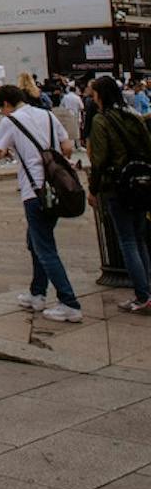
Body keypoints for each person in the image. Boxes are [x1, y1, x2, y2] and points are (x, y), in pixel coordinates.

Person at [0, 83, 82, 322]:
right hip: (55, 190)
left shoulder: (10, 121)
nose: (1, 113)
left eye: (1, 109)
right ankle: (37, 294)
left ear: (6, 104)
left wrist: (14, 150)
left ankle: (69, 302)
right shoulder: (48, 115)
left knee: (45, 248)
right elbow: (67, 146)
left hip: (34, 191)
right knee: (35, 242)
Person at [87, 74, 151, 313]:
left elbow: (99, 159)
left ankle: (142, 295)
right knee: (140, 239)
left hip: (117, 186)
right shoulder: (134, 116)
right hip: (141, 182)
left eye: (93, 94)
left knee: (127, 241)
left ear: (100, 95)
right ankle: (148, 291)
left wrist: (93, 189)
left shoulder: (102, 121)